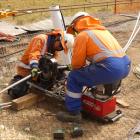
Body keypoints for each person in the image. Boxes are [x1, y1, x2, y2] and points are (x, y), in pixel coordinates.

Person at [56, 12, 131, 123]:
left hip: (110, 68)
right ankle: (101, 97)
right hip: (125, 65)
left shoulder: (83, 35)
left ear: (76, 25)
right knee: (94, 72)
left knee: (74, 77)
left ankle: (74, 113)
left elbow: (77, 64)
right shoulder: (103, 31)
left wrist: (77, 68)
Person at [8, 29, 74, 99]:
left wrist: (65, 67)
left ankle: (43, 85)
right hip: (27, 71)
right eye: (60, 46)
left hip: (40, 72)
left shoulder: (54, 48)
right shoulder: (40, 39)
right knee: (16, 92)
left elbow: (53, 64)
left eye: (62, 49)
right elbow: (34, 54)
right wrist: (34, 67)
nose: (59, 49)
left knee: (60, 74)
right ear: (57, 38)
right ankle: (17, 81)